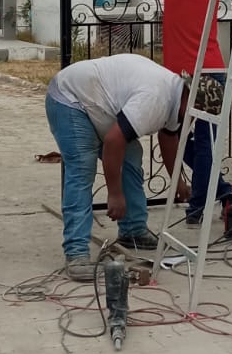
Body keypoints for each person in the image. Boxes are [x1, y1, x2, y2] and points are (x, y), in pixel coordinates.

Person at [109, 0, 232, 224]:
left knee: (172, 134)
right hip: (211, 69)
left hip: (176, 76)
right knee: (207, 141)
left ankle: (206, 198)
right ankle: (212, 197)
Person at [44, 53, 188, 280]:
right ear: (189, 100)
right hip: (70, 98)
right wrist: (115, 194)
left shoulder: (178, 97)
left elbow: (168, 138)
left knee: (131, 156)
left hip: (99, 104)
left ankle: (133, 231)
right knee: (82, 168)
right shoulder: (155, 99)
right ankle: (76, 253)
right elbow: (113, 141)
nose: (195, 121)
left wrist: (178, 182)